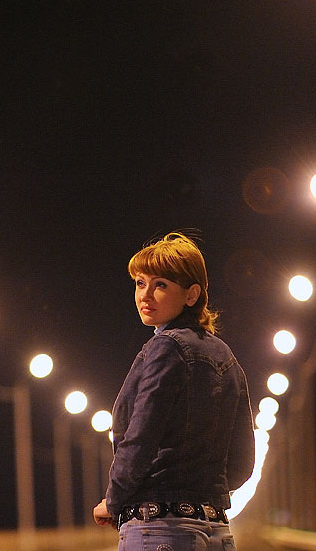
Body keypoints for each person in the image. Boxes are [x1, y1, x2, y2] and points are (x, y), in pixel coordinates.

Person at [92, 232, 255, 551]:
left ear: (192, 295)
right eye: (140, 283)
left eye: (161, 285)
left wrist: (114, 501)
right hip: (216, 528)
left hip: (160, 530)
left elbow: (140, 437)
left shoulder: (165, 347)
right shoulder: (226, 358)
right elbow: (242, 461)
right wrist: (201, 492)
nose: (145, 295)